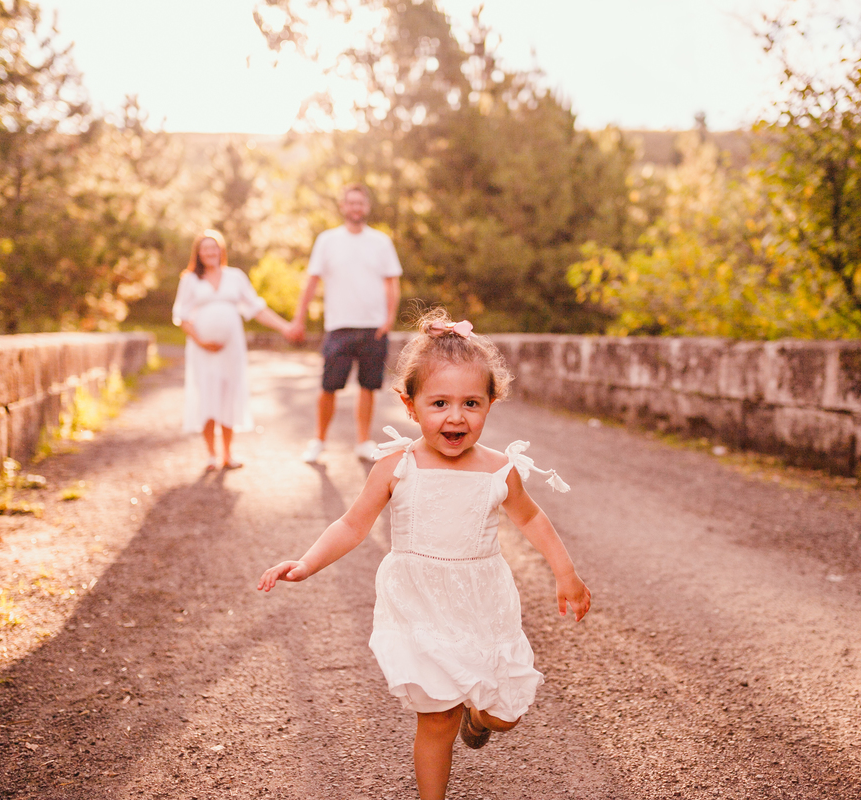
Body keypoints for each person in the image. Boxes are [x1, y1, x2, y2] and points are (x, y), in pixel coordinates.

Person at [258, 308, 592, 800]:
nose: (455, 416)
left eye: (471, 403)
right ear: (410, 406)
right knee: (436, 717)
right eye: (439, 402)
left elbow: (532, 520)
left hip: (482, 602)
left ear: (490, 404)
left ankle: (478, 719)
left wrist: (566, 573)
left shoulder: (500, 470)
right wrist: (306, 563)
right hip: (419, 602)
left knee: (505, 714)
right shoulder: (398, 466)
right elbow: (353, 524)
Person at [286, 183, 402, 463]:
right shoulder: (327, 240)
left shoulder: (381, 242)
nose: (355, 208)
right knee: (328, 387)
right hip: (338, 326)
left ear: (367, 207)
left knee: (368, 387)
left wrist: (389, 319)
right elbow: (311, 280)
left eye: (360, 203)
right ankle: (319, 440)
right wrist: (299, 318)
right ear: (342, 206)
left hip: (373, 327)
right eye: (350, 203)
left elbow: (392, 281)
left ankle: (363, 441)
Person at [172, 229, 291, 471]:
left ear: (221, 250)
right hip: (202, 350)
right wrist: (202, 341)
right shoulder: (190, 280)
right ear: (198, 253)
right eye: (205, 248)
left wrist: (284, 326)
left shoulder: (235, 277)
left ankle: (227, 454)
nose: (210, 252)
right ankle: (210, 455)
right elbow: (182, 317)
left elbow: (256, 308)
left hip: (231, 349)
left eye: (214, 247)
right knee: (206, 393)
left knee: (228, 392)